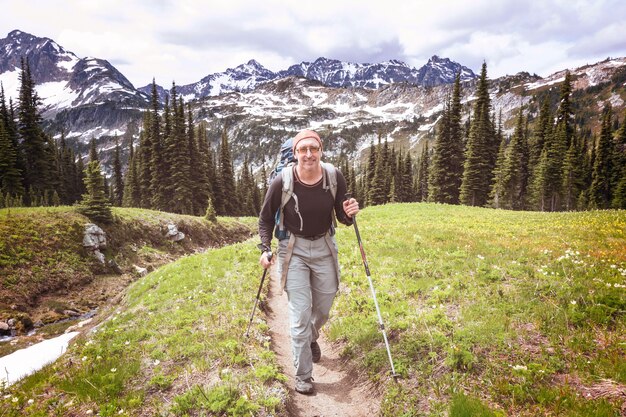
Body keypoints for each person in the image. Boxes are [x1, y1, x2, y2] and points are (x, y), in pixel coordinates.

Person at [258, 129, 360, 394]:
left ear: (321, 150)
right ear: (295, 154)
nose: (308, 154)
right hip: (294, 250)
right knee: (300, 313)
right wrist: (265, 248)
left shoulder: (333, 176)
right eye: (303, 150)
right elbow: (265, 218)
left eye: (313, 149)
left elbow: (342, 216)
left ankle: (312, 335)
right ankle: (303, 375)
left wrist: (350, 213)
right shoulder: (283, 180)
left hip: (325, 245)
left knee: (324, 306)